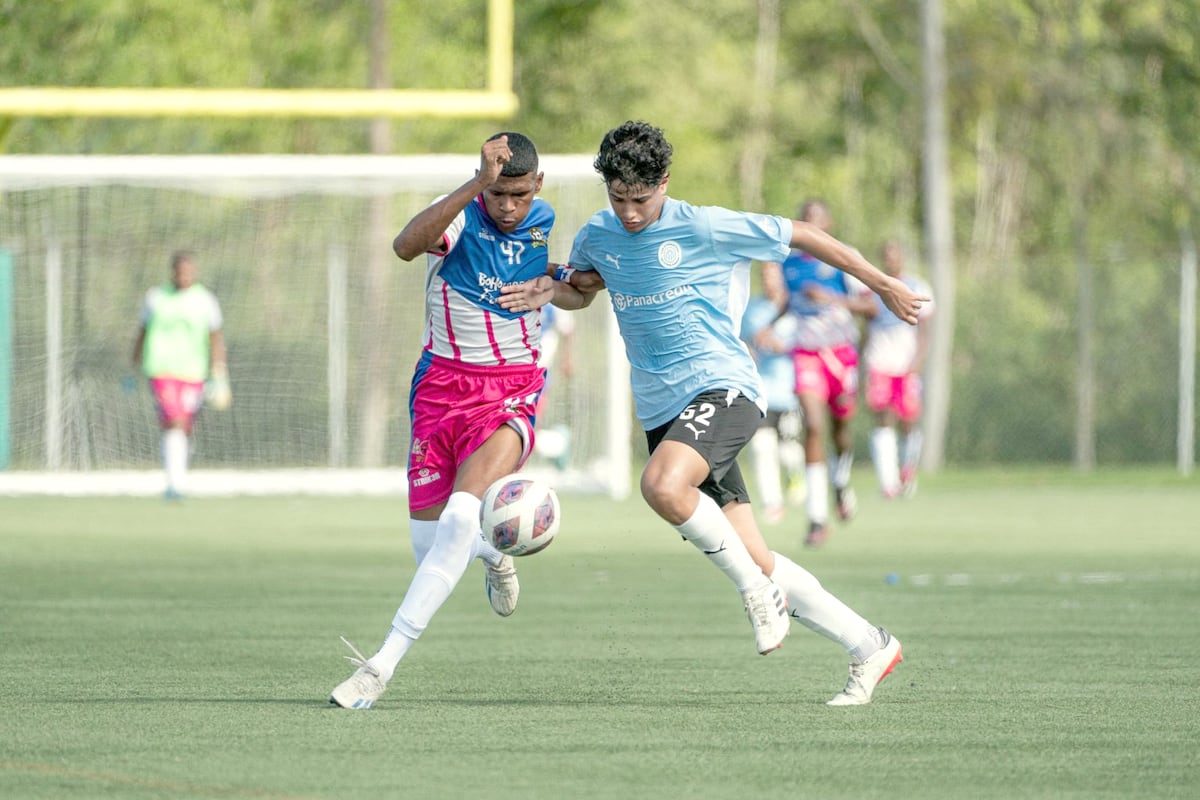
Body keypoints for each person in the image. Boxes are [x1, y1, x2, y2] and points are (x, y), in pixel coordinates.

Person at [560, 120, 926, 704]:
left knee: (660, 485)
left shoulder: (704, 225)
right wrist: (544, 286)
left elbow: (805, 234)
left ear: (665, 184)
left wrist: (879, 283)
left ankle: (754, 591)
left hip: (722, 390)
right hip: (663, 413)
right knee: (757, 555)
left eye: (641, 200)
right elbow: (584, 287)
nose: (629, 213)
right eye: (618, 198)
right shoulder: (599, 233)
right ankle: (868, 643)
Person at [330, 132, 569, 710]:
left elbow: (584, 288)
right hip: (438, 393)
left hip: (508, 393)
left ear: (536, 186)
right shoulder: (465, 218)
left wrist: (556, 286)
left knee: (461, 516)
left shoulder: (547, 221)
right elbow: (404, 245)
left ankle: (378, 667)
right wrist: (475, 187)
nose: (507, 207)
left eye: (516, 194)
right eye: (498, 195)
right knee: (432, 547)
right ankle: (494, 554)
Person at [763, 199, 876, 547]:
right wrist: (768, 327)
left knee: (841, 430)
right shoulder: (790, 264)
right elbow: (788, 305)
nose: (812, 225)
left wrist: (832, 299)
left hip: (841, 355)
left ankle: (840, 481)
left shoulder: (845, 257)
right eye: (805, 220)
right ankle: (816, 517)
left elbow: (871, 306)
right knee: (813, 425)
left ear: (828, 224)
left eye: (818, 219)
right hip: (807, 354)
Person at [131, 250, 228, 500]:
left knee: (182, 424)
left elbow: (215, 336)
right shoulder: (156, 297)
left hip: (193, 371)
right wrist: (134, 360)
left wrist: (219, 370)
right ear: (172, 272)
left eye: (188, 272)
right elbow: (143, 330)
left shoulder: (205, 300)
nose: (184, 276)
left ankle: (177, 477)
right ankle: (175, 484)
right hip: (162, 368)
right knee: (174, 418)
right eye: (180, 272)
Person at [862, 239, 934, 498]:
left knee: (908, 421)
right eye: (886, 255)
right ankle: (888, 482)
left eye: (894, 255)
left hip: (906, 364)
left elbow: (925, 331)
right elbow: (866, 326)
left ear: (902, 257)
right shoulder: (871, 288)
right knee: (883, 417)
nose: (890, 260)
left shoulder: (917, 286)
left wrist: (917, 361)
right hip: (880, 362)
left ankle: (908, 471)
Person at [739, 285, 805, 524]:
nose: (769, 278)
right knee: (761, 446)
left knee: (788, 450)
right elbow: (740, 337)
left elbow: (806, 343)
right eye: (765, 273)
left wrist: (783, 347)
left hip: (789, 392)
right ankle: (772, 502)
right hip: (760, 391)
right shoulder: (752, 308)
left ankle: (796, 476)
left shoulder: (795, 308)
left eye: (773, 273)